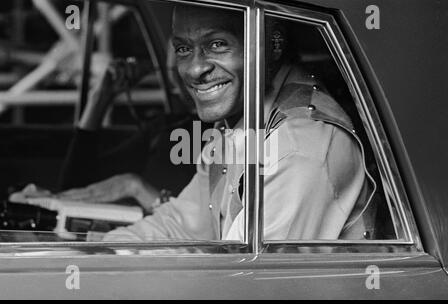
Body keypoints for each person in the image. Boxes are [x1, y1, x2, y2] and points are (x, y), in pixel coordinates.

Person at [14, 5, 376, 241]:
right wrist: (99, 256)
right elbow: (182, 224)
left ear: (271, 44)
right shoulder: (239, 126)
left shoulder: (298, 147)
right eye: (184, 48)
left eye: (218, 44)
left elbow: (244, 287)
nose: (194, 69)